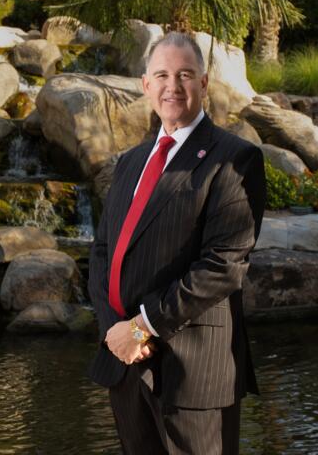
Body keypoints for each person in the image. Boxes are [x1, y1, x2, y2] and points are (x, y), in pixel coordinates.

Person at [88, 31, 265, 454]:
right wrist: (114, 330)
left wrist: (140, 327)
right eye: (162, 75)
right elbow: (101, 252)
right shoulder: (131, 161)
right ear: (145, 84)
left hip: (193, 369)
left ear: (203, 83)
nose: (173, 86)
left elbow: (223, 265)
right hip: (125, 362)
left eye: (185, 74)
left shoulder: (234, 157)